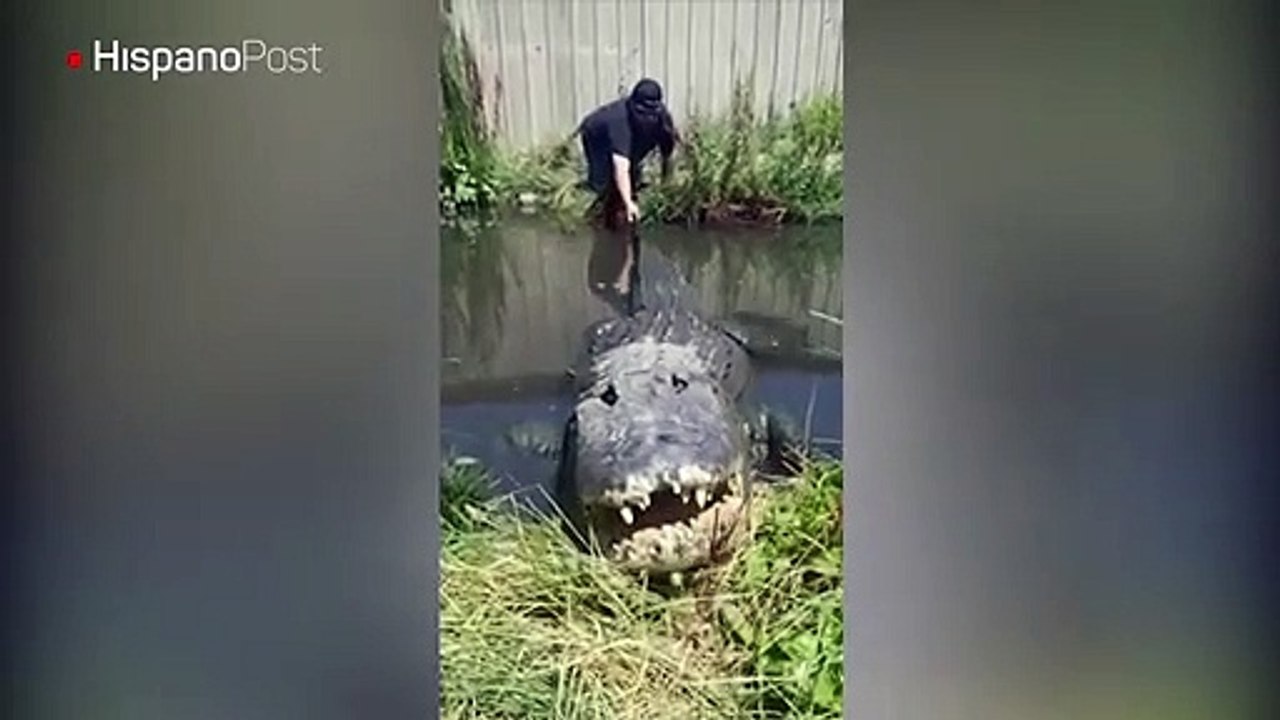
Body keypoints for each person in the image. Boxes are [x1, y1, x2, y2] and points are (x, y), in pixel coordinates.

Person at [576, 78, 679, 229]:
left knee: (632, 171)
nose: (647, 118)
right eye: (642, 113)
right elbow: (621, 166)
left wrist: (666, 185)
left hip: (636, 136)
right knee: (604, 182)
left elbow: (668, 152)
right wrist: (629, 203)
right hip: (596, 136)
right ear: (633, 105)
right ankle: (600, 212)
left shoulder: (661, 118)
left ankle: (626, 191)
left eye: (650, 114)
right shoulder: (619, 121)